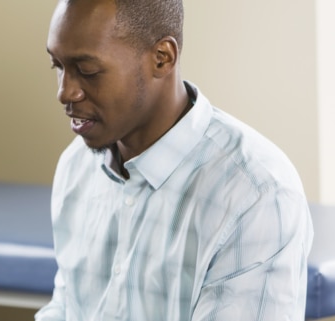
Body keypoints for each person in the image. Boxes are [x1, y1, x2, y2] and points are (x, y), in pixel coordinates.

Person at [36, 0, 313, 320]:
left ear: (162, 58)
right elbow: (68, 306)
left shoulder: (255, 193)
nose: (65, 92)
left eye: (88, 71)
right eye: (58, 66)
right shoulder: (76, 166)